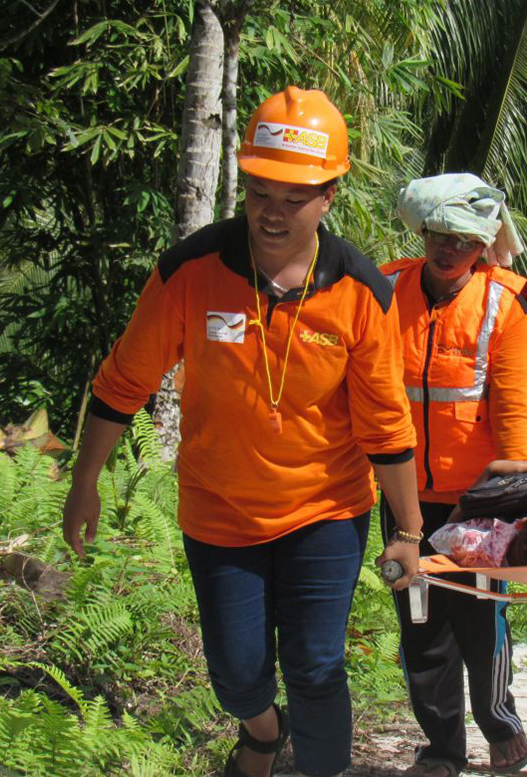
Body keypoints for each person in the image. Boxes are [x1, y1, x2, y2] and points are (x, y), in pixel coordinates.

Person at [61, 86, 426, 777]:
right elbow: (122, 383)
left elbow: (385, 422)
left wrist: (407, 533)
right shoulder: (189, 273)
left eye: (293, 196)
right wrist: (84, 483)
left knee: (317, 664)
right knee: (235, 674)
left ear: (328, 196)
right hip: (219, 509)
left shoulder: (361, 291)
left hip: (326, 508)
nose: (272, 211)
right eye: (260, 190)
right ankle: (262, 732)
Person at [379, 174, 527, 777]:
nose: (449, 251)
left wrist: (513, 492)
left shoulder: (507, 299)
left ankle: (500, 724)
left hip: (480, 500)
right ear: (423, 231)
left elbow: (515, 401)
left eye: (465, 242)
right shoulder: (388, 287)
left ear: (485, 244)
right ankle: (442, 748)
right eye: (439, 236)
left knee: (482, 618)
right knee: (420, 623)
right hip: (404, 496)